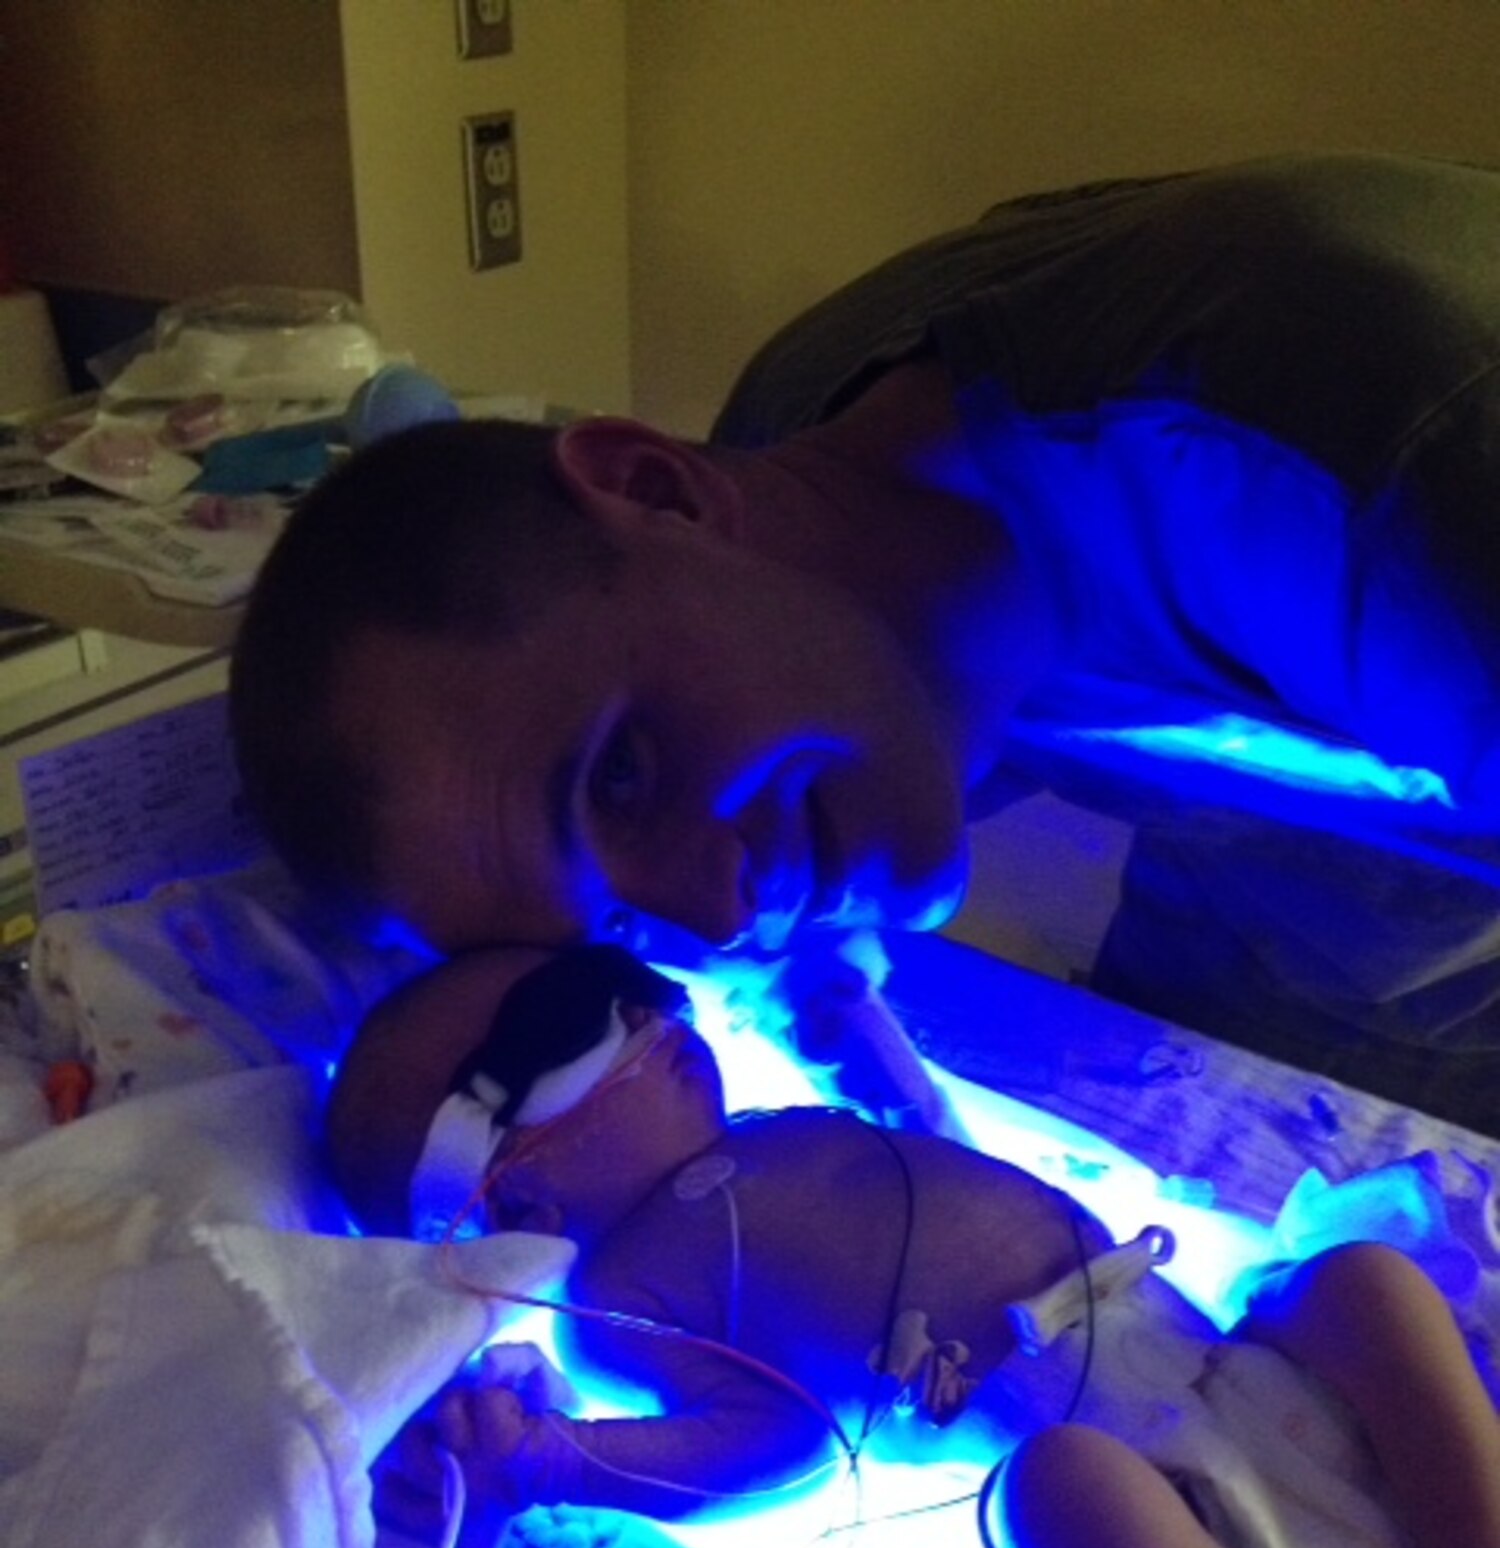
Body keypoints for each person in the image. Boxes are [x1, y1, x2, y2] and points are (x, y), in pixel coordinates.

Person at [231, 151, 1500, 1128]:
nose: (710, 912)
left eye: (619, 770)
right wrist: (819, 970)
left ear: (662, 490)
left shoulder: (1383, 478)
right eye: (619, 919)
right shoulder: (793, 455)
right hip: (1312, 916)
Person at [326, 940, 1500, 1548]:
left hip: (1211, 1355)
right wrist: (557, 1459)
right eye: (566, 1031)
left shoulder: (773, 1130)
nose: (645, 1019)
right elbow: (769, 1438)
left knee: (1358, 1280)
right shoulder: (623, 1299)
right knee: (1057, 1490)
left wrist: (869, 1039)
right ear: (504, 1185)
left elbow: (927, 1156)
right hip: (1122, 1482)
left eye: (622, 995)